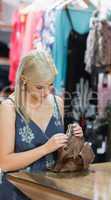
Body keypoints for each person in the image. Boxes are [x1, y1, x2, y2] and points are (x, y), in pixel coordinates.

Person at [0, 50, 83, 200]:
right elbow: (4, 163)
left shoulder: (58, 103)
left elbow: (59, 156)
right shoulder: (9, 108)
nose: (46, 93)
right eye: (39, 87)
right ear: (24, 79)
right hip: (17, 191)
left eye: (50, 85)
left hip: (50, 190)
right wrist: (45, 148)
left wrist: (72, 140)